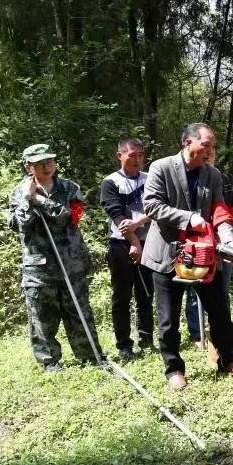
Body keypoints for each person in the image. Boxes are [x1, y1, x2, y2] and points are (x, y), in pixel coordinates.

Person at [142, 123, 233, 389]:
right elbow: (152, 205)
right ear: (187, 143)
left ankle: (228, 360)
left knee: (220, 312)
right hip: (167, 254)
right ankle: (173, 369)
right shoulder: (161, 167)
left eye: (213, 146)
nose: (211, 151)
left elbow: (219, 211)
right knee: (169, 318)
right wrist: (188, 217)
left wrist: (227, 240)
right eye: (207, 145)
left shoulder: (212, 174)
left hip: (204, 255)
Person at [9, 144, 104, 372]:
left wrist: (40, 201)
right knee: (42, 317)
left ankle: (90, 356)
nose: (47, 166)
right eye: (40, 162)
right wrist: (27, 199)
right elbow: (18, 225)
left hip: (72, 263)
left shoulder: (70, 188)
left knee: (80, 312)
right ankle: (50, 361)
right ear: (28, 166)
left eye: (50, 160)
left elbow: (74, 217)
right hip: (39, 268)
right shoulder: (18, 192)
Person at [99, 137, 154, 362]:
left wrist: (140, 230)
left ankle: (147, 338)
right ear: (120, 155)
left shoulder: (150, 179)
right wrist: (133, 242)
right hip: (120, 244)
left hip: (149, 242)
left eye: (141, 155)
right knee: (121, 295)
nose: (137, 160)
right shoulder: (110, 182)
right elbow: (117, 215)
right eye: (132, 155)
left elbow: (159, 207)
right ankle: (124, 344)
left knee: (146, 293)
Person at [185, 143, 233, 342]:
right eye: (205, 149)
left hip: (222, 245)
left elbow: (231, 210)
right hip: (195, 244)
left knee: (220, 292)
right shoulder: (183, 175)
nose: (209, 155)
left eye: (213, 151)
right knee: (194, 291)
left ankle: (222, 341)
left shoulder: (220, 178)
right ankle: (196, 334)